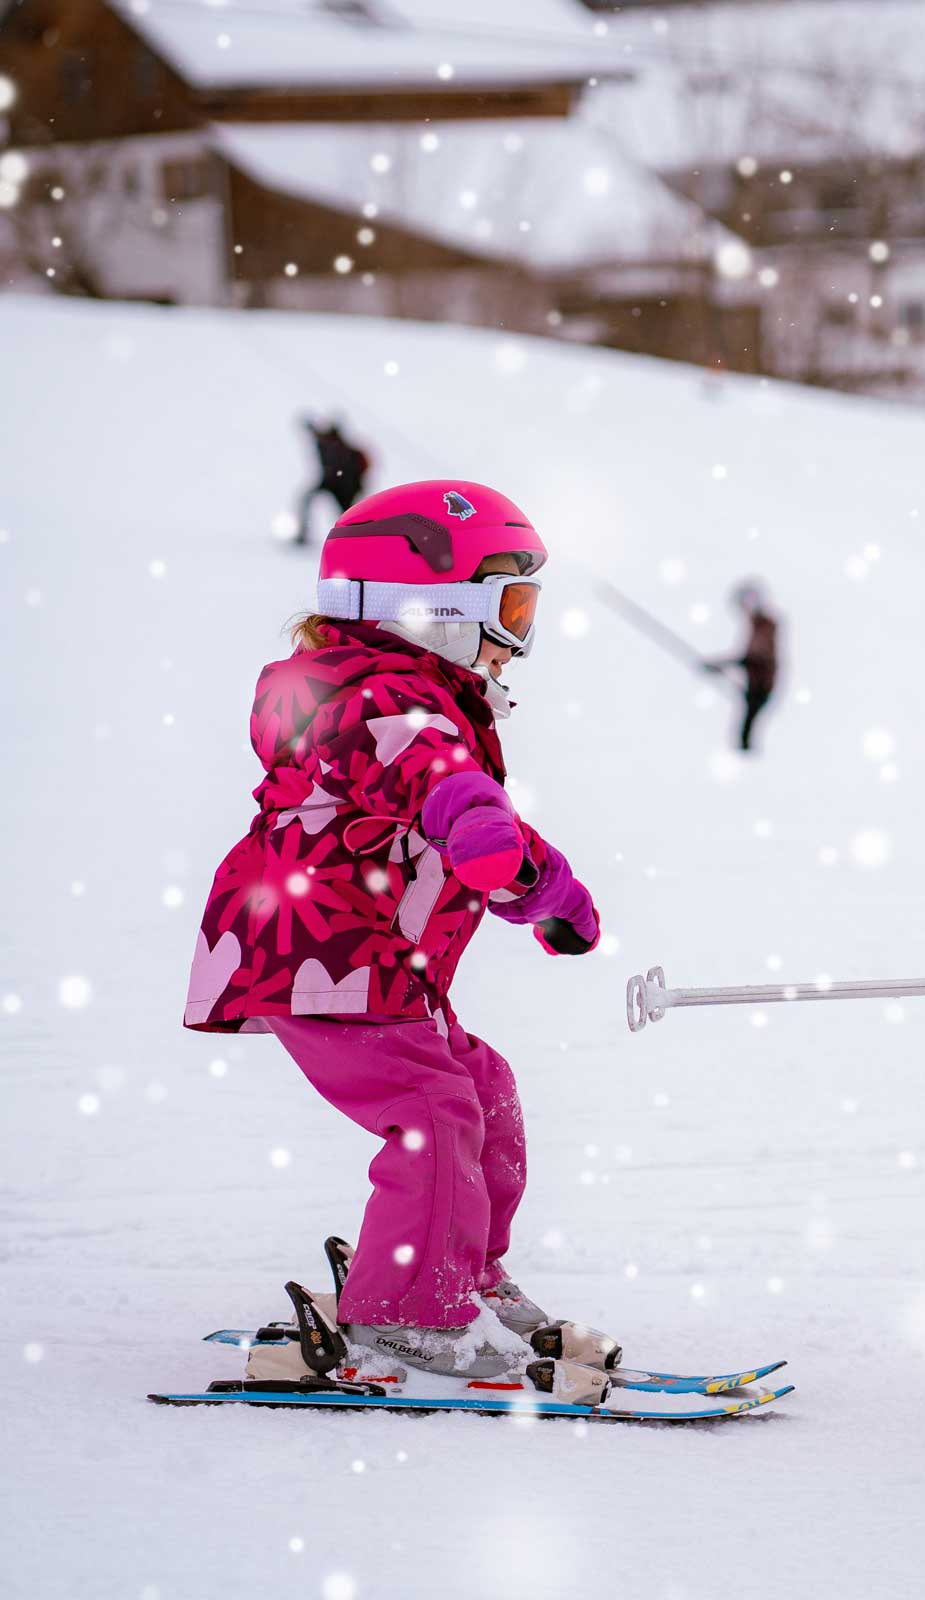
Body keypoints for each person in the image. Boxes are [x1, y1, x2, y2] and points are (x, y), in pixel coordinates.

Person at [184, 479, 603, 1379]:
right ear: (437, 606)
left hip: (376, 965)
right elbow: (430, 777)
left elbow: (467, 815)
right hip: (320, 955)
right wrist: (480, 825)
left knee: (481, 1088)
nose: (515, 638)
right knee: (431, 1110)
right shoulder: (368, 699)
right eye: (509, 605)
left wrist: (550, 891)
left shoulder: (418, 701)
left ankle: (463, 1275)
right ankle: (405, 1311)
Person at [713, 578, 781, 754]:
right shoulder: (756, 625)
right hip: (755, 687)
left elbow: (756, 658)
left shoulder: (765, 625)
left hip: (760, 688)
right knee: (744, 733)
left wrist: (722, 665)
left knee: (745, 734)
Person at [294, 415, 372, 546]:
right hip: (330, 482)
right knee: (307, 500)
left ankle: (353, 539)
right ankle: (304, 532)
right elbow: (316, 433)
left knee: (347, 515)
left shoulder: (342, 447)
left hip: (345, 486)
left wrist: (356, 486)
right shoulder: (324, 443)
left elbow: (357, 469)